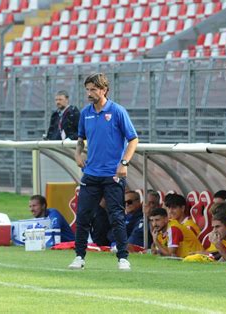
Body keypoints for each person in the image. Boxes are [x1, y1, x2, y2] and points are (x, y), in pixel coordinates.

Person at [68, 73, 138, 271]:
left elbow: (133, 139)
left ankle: (123, 258)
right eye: (87, 90)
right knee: (83, 215)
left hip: (112, 174)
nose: (89, 93)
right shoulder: (85, 113)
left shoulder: (117, 111)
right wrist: (78, 154)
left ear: (104, 90)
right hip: (91, 173)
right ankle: (79, 256)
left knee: (116, 215)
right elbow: (80, 138)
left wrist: (124, 162)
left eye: (93, 89)